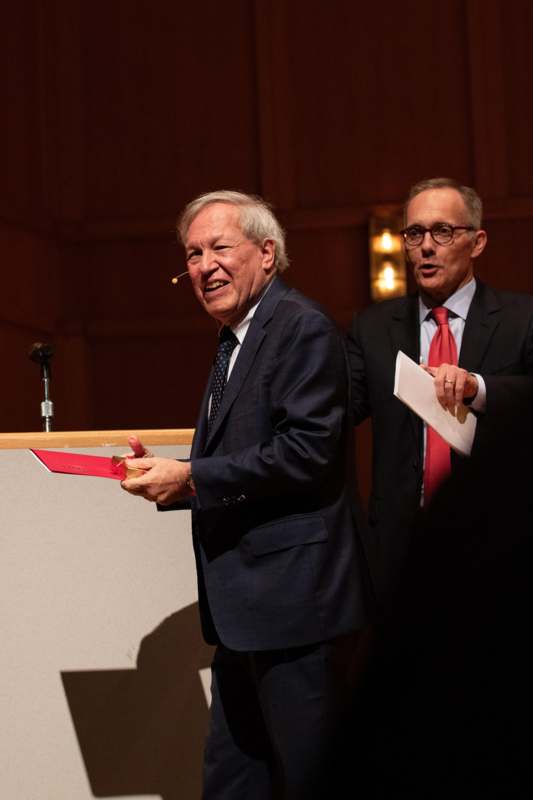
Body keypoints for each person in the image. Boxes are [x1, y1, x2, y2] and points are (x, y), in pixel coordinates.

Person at [121, 190, 373, 799]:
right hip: (245, 613)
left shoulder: (301, 327)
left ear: (267, 253)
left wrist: (192, 477)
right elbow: (245, 458)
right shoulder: (237, 337)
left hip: (296, 608)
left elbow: (307, 452)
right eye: (192, 255)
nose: (203, 266)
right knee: (234, 781)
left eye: (218, 248)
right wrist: (175, 482)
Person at [347, 176, 533, 604]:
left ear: (478, 241)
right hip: (400, 555)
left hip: (501, 543)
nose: (426, 246)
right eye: (414, 234)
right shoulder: (372, 328)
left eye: (443, 232)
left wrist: (478, 388)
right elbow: (330, 410)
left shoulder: (522, 319)